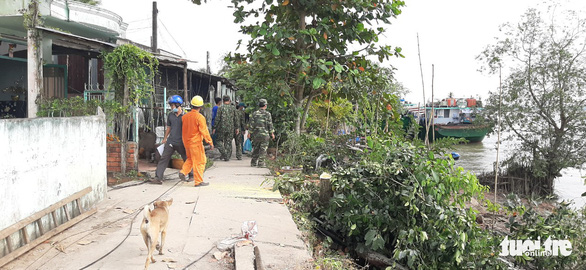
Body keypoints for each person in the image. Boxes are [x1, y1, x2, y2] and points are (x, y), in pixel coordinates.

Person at [152, 95, 188, 184]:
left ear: (178, 105)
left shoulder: (185, 116)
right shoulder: (170, 115)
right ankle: (158, 177)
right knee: (164, 158)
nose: (171, 107)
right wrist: (165, 139)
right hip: (171, 141)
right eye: (171, 105)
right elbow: (169, 127)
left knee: (186, 159)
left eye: (172, 105)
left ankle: (191, 175)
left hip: (181, 142)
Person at [179, 96, 214, 187]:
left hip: (187, 143)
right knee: (200, 161)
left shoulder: (185, 117)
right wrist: (210, 142)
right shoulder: (200, 117)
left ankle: (183, 171)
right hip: (196, 143)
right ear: (201, 107)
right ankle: (198, 181)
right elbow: (204, 131)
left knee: (190, 159)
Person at [249, 98, 274, 167]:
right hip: (265, 135)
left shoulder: (254, 113)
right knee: (263, 149)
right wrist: (272, 133)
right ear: (265, 105)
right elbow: (270, 124)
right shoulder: (267, 114)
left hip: (256, 134)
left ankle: (253, 162)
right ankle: (261, 163)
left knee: (256, 149)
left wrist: (249, 133)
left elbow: (252, 124)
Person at [213, 95, 238, 161]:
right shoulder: (233, 108)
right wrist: (237, 128)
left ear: (223, 101)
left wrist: (214, 127)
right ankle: (227, 156)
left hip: (221, 128)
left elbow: (217, 118)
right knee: (228, 142)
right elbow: (236, 118)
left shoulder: (220, 108)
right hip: (231, 128)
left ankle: (224, 154)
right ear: (229, 100)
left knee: (218, 141)